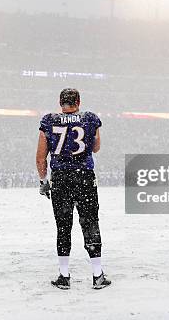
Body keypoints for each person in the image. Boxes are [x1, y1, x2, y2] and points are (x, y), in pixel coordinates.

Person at [36, 88, 111, 289]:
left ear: (61, 103)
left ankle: (64, 275)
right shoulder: (90, 119)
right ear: (78, 101)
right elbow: (96, 148)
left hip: (61, 178)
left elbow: (40, 156)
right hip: (84, 177)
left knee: (63, 226)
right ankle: (97, 275)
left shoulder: (49, 121)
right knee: (90, 223)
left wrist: (44, 181)